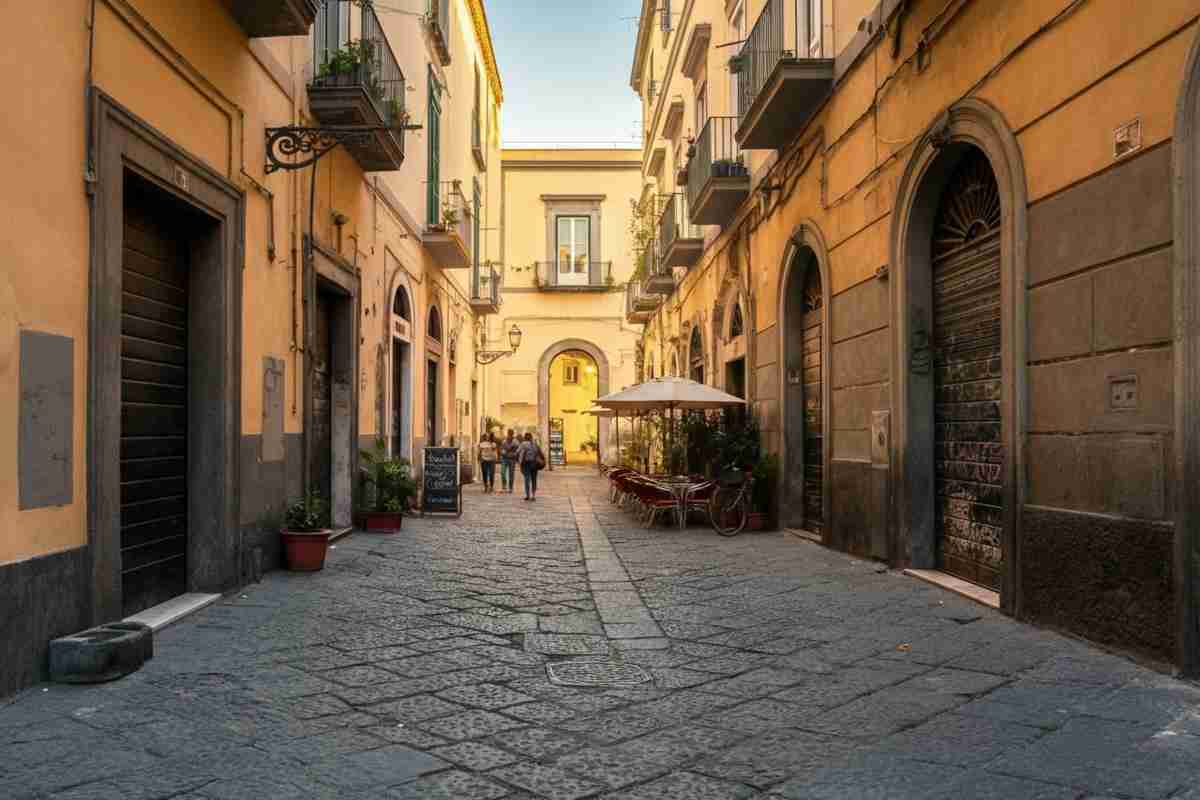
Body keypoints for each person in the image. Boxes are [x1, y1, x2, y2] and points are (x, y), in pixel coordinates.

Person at [516, 432, 544, 501]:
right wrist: (543, 460)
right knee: (534, 479)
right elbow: (541, 453)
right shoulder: (535, 444)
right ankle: (533, 495)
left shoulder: (523, 444)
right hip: (534, 464)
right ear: (531, 437)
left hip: (526, 464)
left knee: (527, 479)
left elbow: (517, 452)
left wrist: (519, 461)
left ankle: (527, 495)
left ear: (524, 438)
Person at [499, 429, 518, 494]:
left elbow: (517, 451)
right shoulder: (504, 441)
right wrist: (502, 452)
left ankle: (510, 487)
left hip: (512, 459)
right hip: (504, 458)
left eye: (511, 433)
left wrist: (513, 454)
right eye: (509, 433)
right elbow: (501, 448)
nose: (510, 434)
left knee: (511, 474)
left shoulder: (516, 442)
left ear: (512, 433)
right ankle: (504, 486)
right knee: (502, 472)